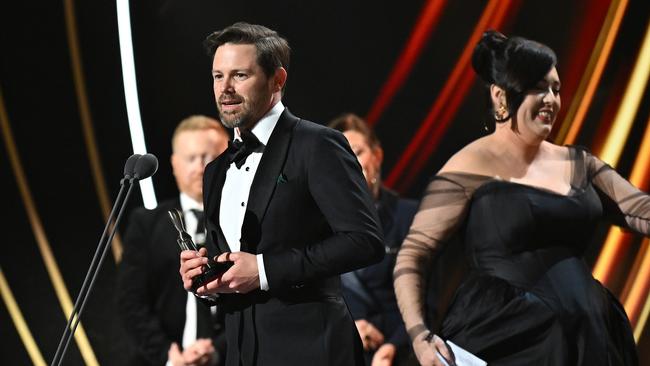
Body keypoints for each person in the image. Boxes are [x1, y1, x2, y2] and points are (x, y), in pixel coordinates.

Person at [393, 30, 645, 366]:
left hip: (590, 342)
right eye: (538, 88)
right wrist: (420, 336)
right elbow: (413, 255)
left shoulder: (580, 164)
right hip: (507, 344)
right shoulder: (468, 166)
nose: (552, 100)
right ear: (500, 95)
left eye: (556, 89)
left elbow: (639, 211)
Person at [178, 22, 384, 366]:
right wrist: (205, 278)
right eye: (217, 76)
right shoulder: (215, 170)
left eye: (239, 75)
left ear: (278, 80)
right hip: (243, 353)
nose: (225, 89)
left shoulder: (317, 145)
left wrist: (262, 270)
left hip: (313, 350)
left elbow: (364, 240)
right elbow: (231, 271)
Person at [117, 115, 229, 366]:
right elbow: (131, 301)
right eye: (191, 158)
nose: (200, 167)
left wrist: (218, 350)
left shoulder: (247, 219)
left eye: (209, 157)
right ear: (174, 164)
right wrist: (169, 356)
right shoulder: (146, 223)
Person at [329, 114, 426, 366]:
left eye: (357, 152)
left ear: (377, 156)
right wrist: (349, 327)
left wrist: (395, 345)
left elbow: (430, 296)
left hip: (403, 351)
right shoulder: (314, 227)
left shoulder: (410, 216)